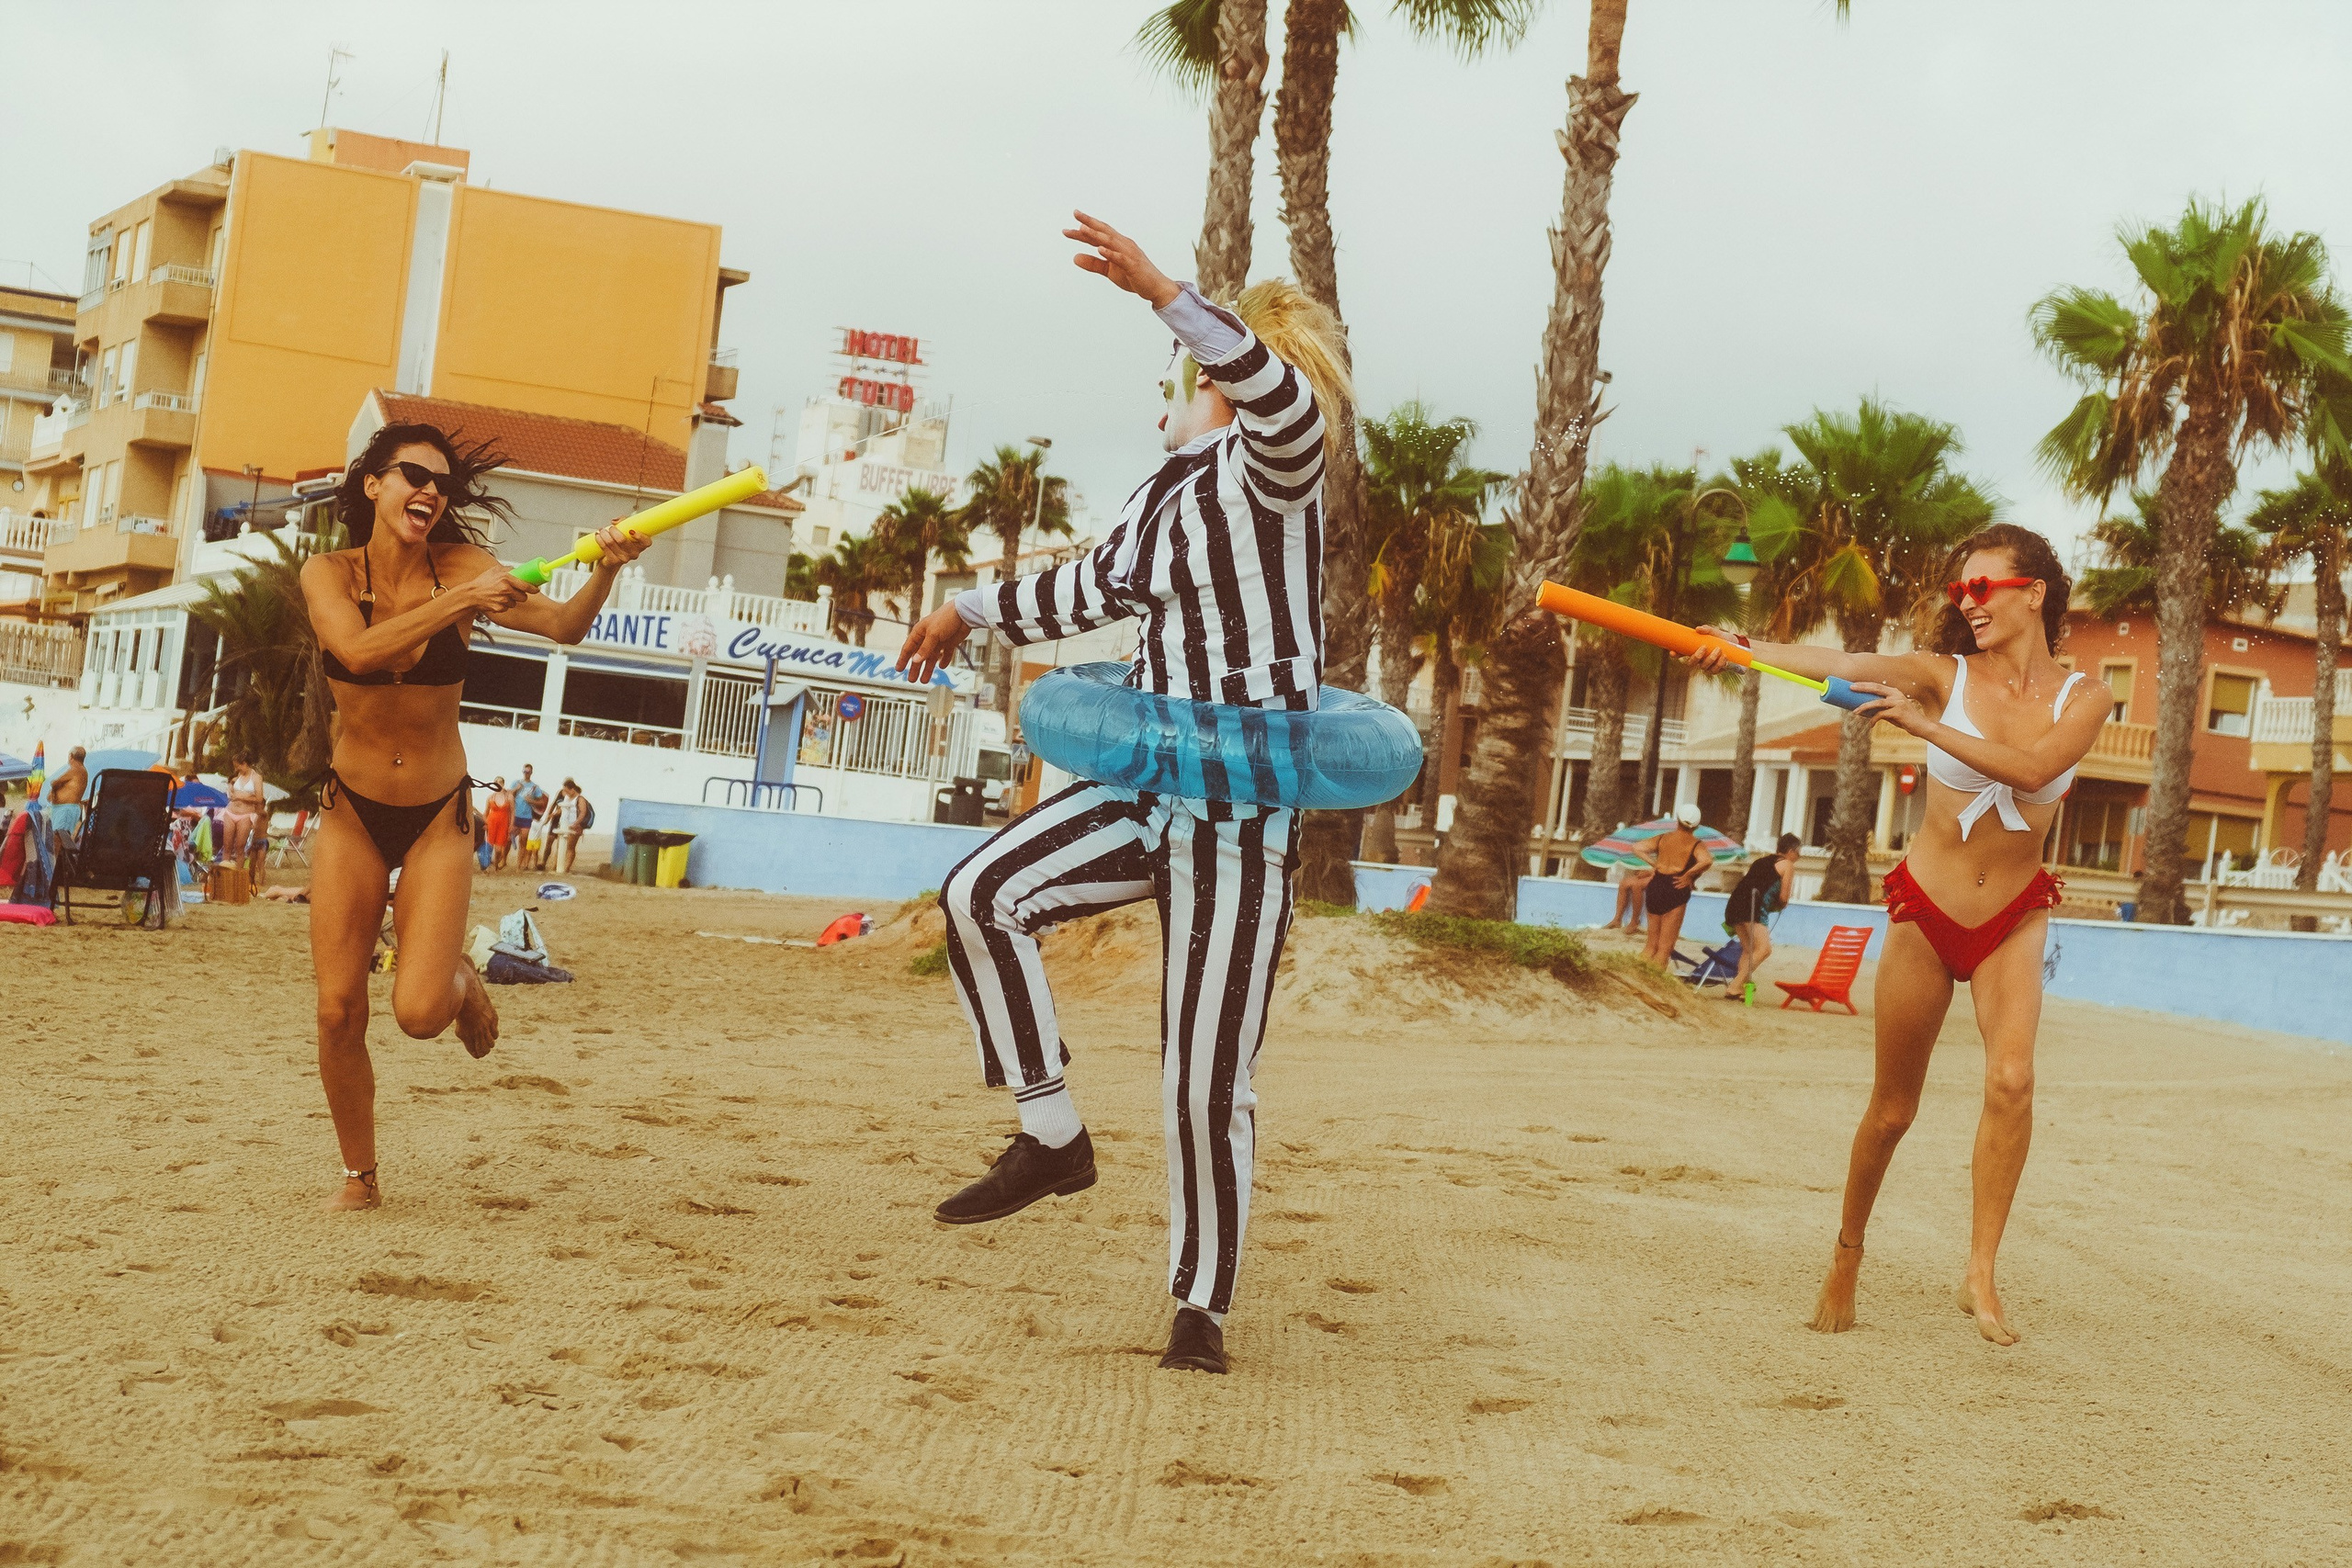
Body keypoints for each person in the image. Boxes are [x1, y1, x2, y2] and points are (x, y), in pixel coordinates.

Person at [895, 211, 1349, 1376]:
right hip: (1148, 792)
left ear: (1227, 383)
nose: (1177, 387)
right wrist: (965, 609)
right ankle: (1050, 1133)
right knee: (982, 891)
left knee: (1203, 1079)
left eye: (1194, 372)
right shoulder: (1164, 496)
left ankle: (1199, 1305)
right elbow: (1084, 586)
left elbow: (1280, 399)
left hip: (1243, 817)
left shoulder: (1274, 468)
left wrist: (1162, 289)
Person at [1690, 523, 2108, 1346]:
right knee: (1891, 1111)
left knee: (2013, 1081)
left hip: (2015, 914)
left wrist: (1923, 728)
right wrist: (1744, 647)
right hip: (1927, 910)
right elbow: (1845, 667)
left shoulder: (2084, 697)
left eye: (1982, 586)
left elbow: (2029, 771)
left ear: (2034, 592)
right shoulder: (1940, 674)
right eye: (1962, 590)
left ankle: (1980, 1271)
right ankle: (1847, 1251)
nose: (1968, 601)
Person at [299, 422, 650, 1212]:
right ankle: (360, 1175)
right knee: (335, 1007)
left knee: (419, 1014)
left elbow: (562, 626)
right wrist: (462, 600)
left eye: (441, 483)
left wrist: (607, 570)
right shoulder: (327, 573)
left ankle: (458, 977)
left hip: (435, 814)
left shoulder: (465, 566)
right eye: (413, 475)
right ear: (372, 486)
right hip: (351, 811)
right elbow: (357, 653)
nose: (430, 490)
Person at [1723, 833, 1803, 1000]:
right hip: (1753, 906)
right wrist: (1779, 905)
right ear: (1790, 851)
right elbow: (1783, 898)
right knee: (1764, 949)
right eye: (1798, 851)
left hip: (1734, 904)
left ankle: (1740, 989)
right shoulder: (1787, 864)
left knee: (1749, 950)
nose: (1799, 856)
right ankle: (1735, 986)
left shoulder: (1760, 861)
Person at [1635, 803, 1713, 967]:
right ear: (1697, 825)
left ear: (1677, 820)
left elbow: (1637, 847)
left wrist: (1654, 864)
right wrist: (1688, 875)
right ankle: (1654, 984)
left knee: (1651, 945)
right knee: (1665, 949)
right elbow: (1706, 861)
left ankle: (1637, 977)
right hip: (1676, 887)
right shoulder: (1696, 843)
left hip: (1656, 886)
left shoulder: (1663, 837)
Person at [223, 756, 267, 870]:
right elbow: (233, 791)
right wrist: (232, 792)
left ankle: (237, 874)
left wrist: (243, 798)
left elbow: (259, 798)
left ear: (245, 764)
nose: (237, 769)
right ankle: (224, 874)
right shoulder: (238, 775)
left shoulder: (256, 778)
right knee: (227, 846)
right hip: (231, 811)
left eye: (238, 766)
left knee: (240, 846)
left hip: (245, 814)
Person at [511, 765, 548, 869]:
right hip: (515, 815)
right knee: (508, 840)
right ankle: (503, 861)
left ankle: (519, 865)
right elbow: (509, 795)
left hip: (526, 817)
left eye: (528, 771)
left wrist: (531, 801)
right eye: (524, 771)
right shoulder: (516, 783)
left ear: (531, 772)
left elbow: (541, 802)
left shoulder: (534, 787)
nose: (526, 773)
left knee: (523, 840)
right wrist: (516, 789)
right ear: (522, 771)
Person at [47, 746, 87, 837]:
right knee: (58, 840)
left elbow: (55, 782)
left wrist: (53, 790)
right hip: (64, 809)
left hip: (66, 810)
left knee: (59, 839)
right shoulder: (79, 770)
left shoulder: (76, 770)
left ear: (70, 756)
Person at [484, 777, 514, 872]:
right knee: (489, 846)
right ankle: (487, 866)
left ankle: (496, 864)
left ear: (503, 783)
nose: (498, 783)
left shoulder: (509, 797)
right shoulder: (490, 797)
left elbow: (513, 812)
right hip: (491, 823)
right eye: (496, 782)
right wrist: (486, 823)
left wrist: (511, 825)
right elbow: (485, 813)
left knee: (498, 849)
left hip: (503, 824)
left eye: (500, 782)